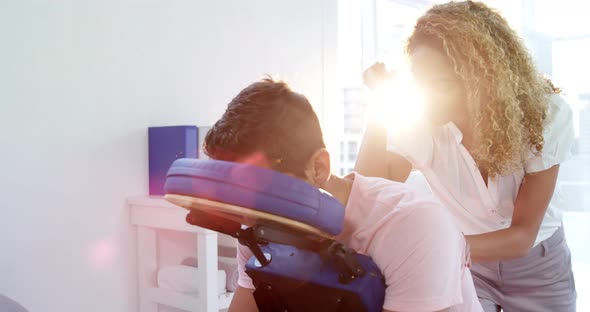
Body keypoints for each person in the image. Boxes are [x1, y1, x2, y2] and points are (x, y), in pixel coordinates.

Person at [356, 1, 577, 311]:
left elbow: (521, 236)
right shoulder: (424, 121)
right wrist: (379, 107)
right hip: (468, 265)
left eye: (441, 85)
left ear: (483, 84)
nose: (427, 97)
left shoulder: (544, 116)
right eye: (420, 82)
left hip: (538, 265)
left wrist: (438, 245)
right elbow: (370, 187)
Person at [203, 78, 483, 312]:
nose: (248, 218)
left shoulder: (413, 226)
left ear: (318, 167)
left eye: (262, 193)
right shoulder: (258, 224)